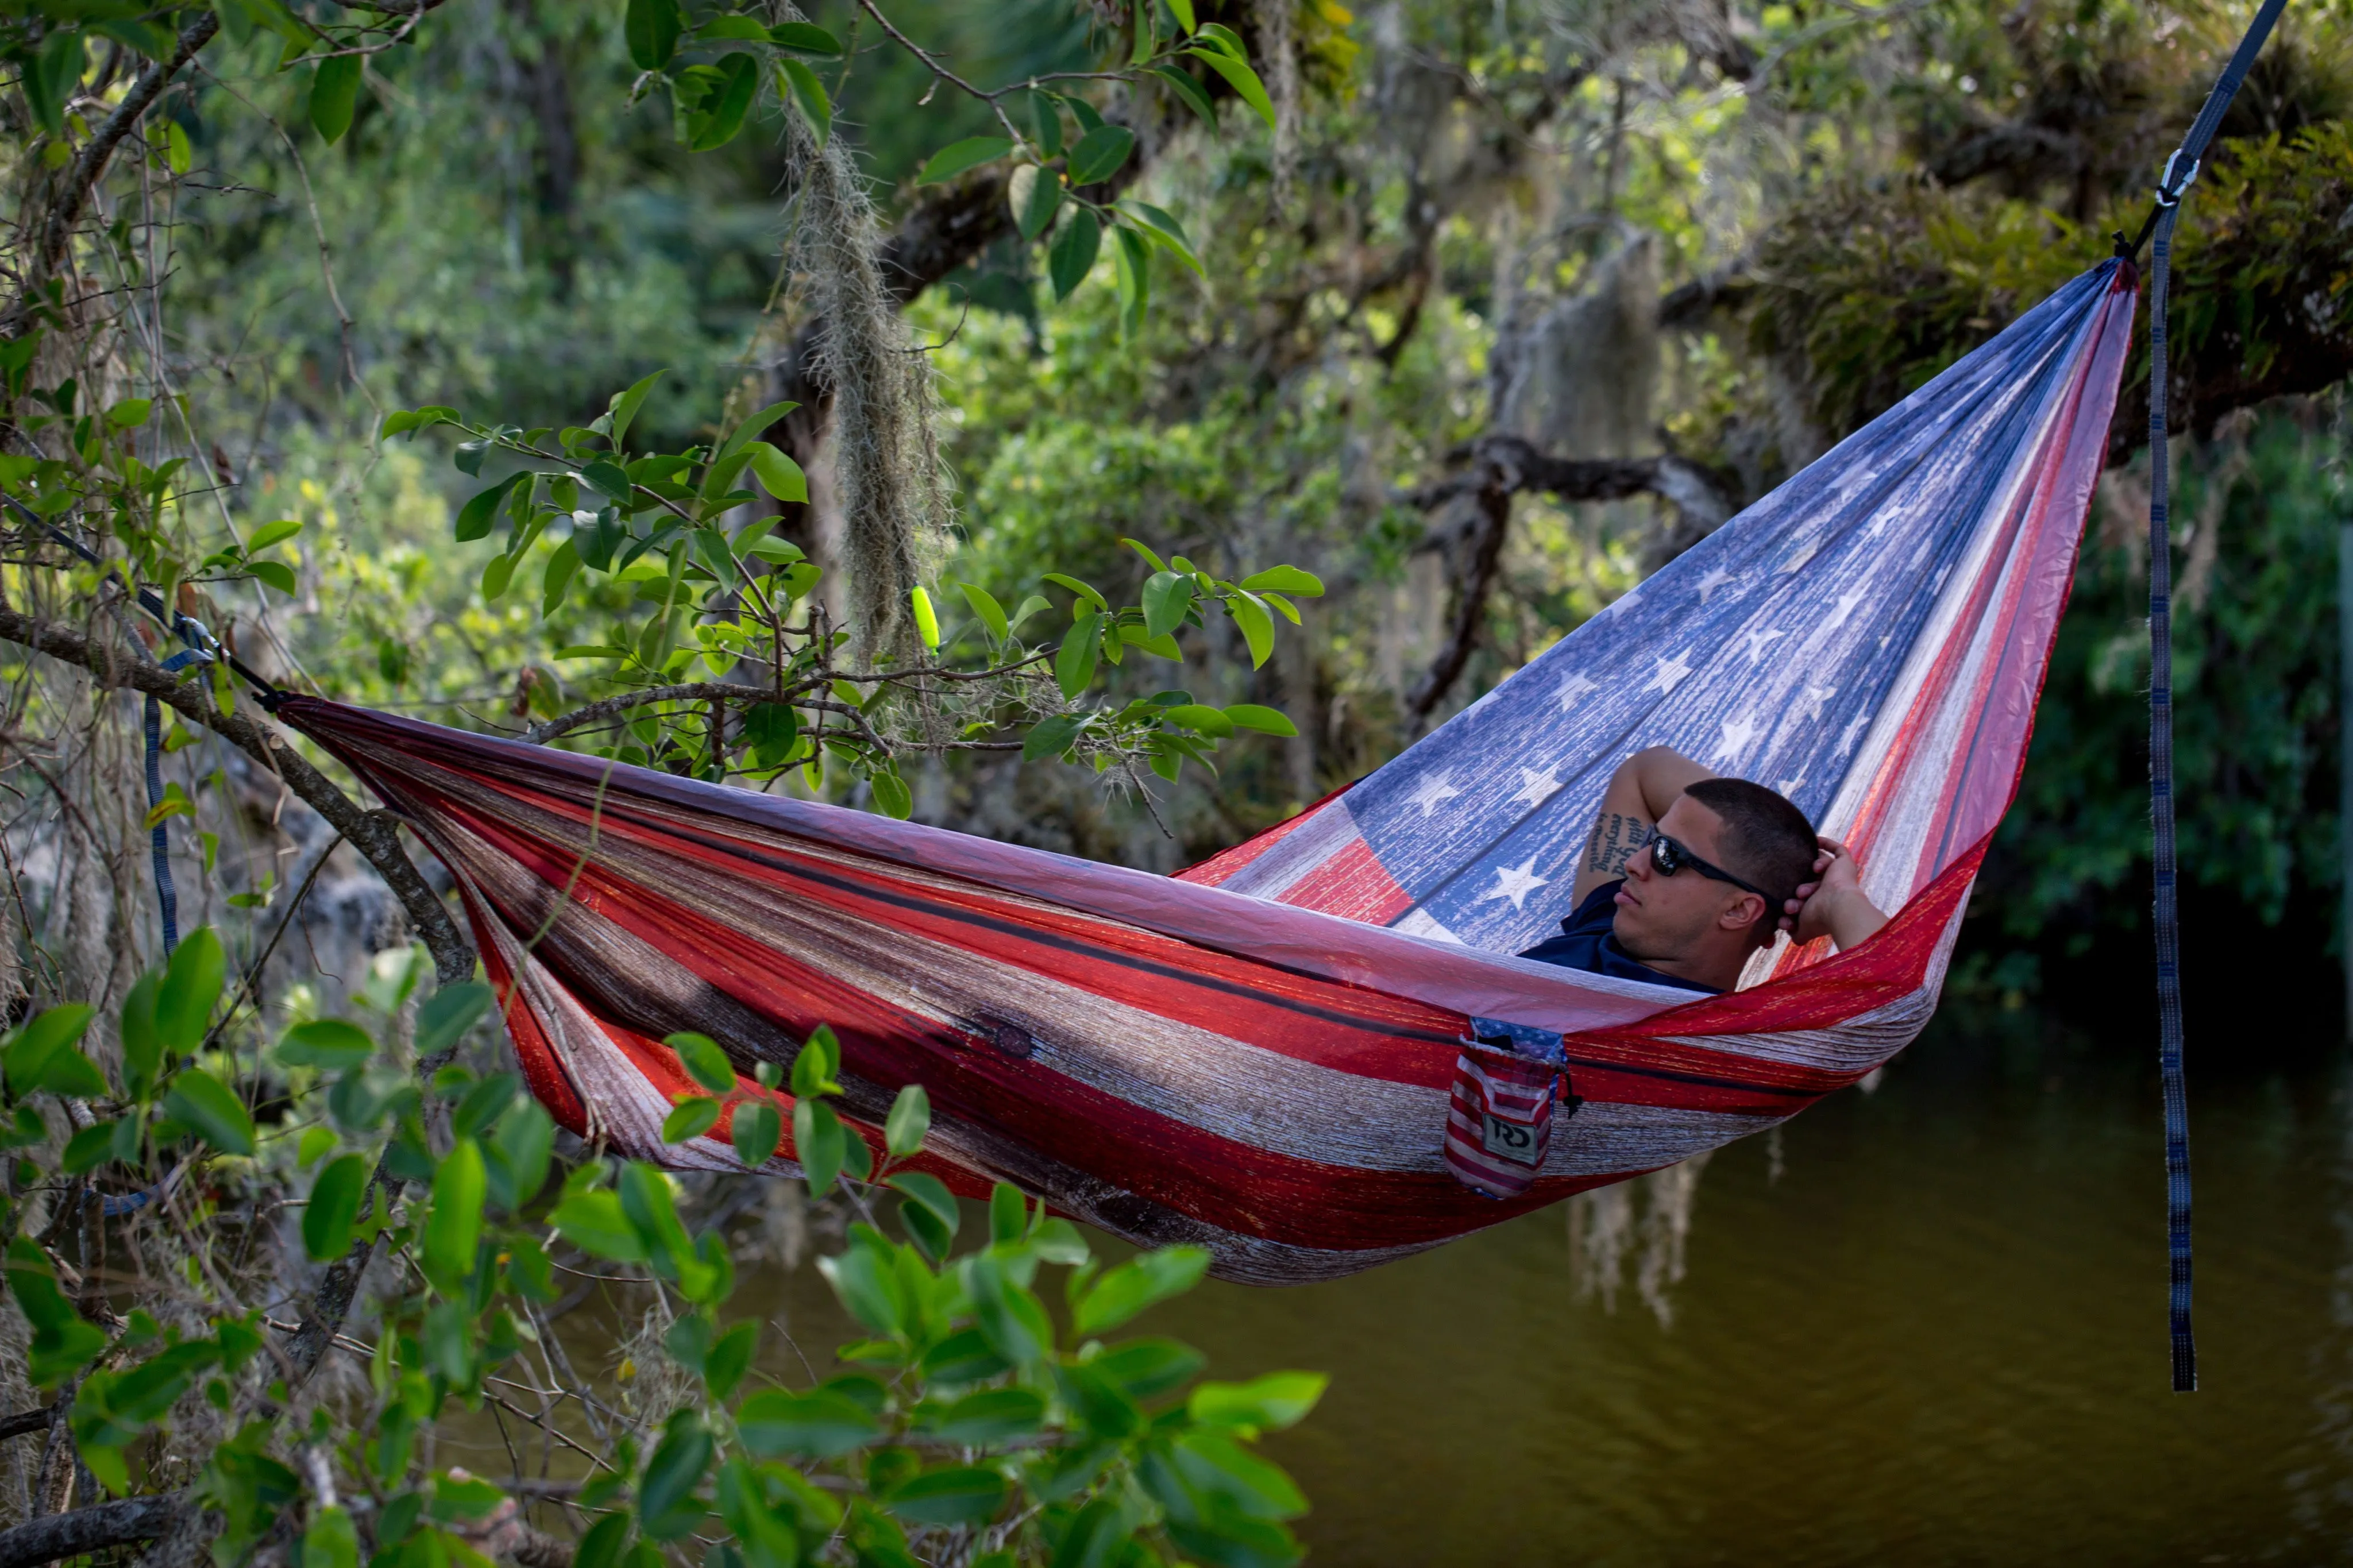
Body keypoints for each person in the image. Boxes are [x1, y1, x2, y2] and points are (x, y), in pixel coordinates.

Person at [1518, 746, 1888, 994]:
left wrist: (1840, 898)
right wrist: (1791, 871)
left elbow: (1893, 997)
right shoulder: (1609, 917)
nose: (1633, 863)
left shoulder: (1711, 1042)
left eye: (1668, 855)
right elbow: (1646, 768)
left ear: (1738, 910)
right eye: (1652, 840)